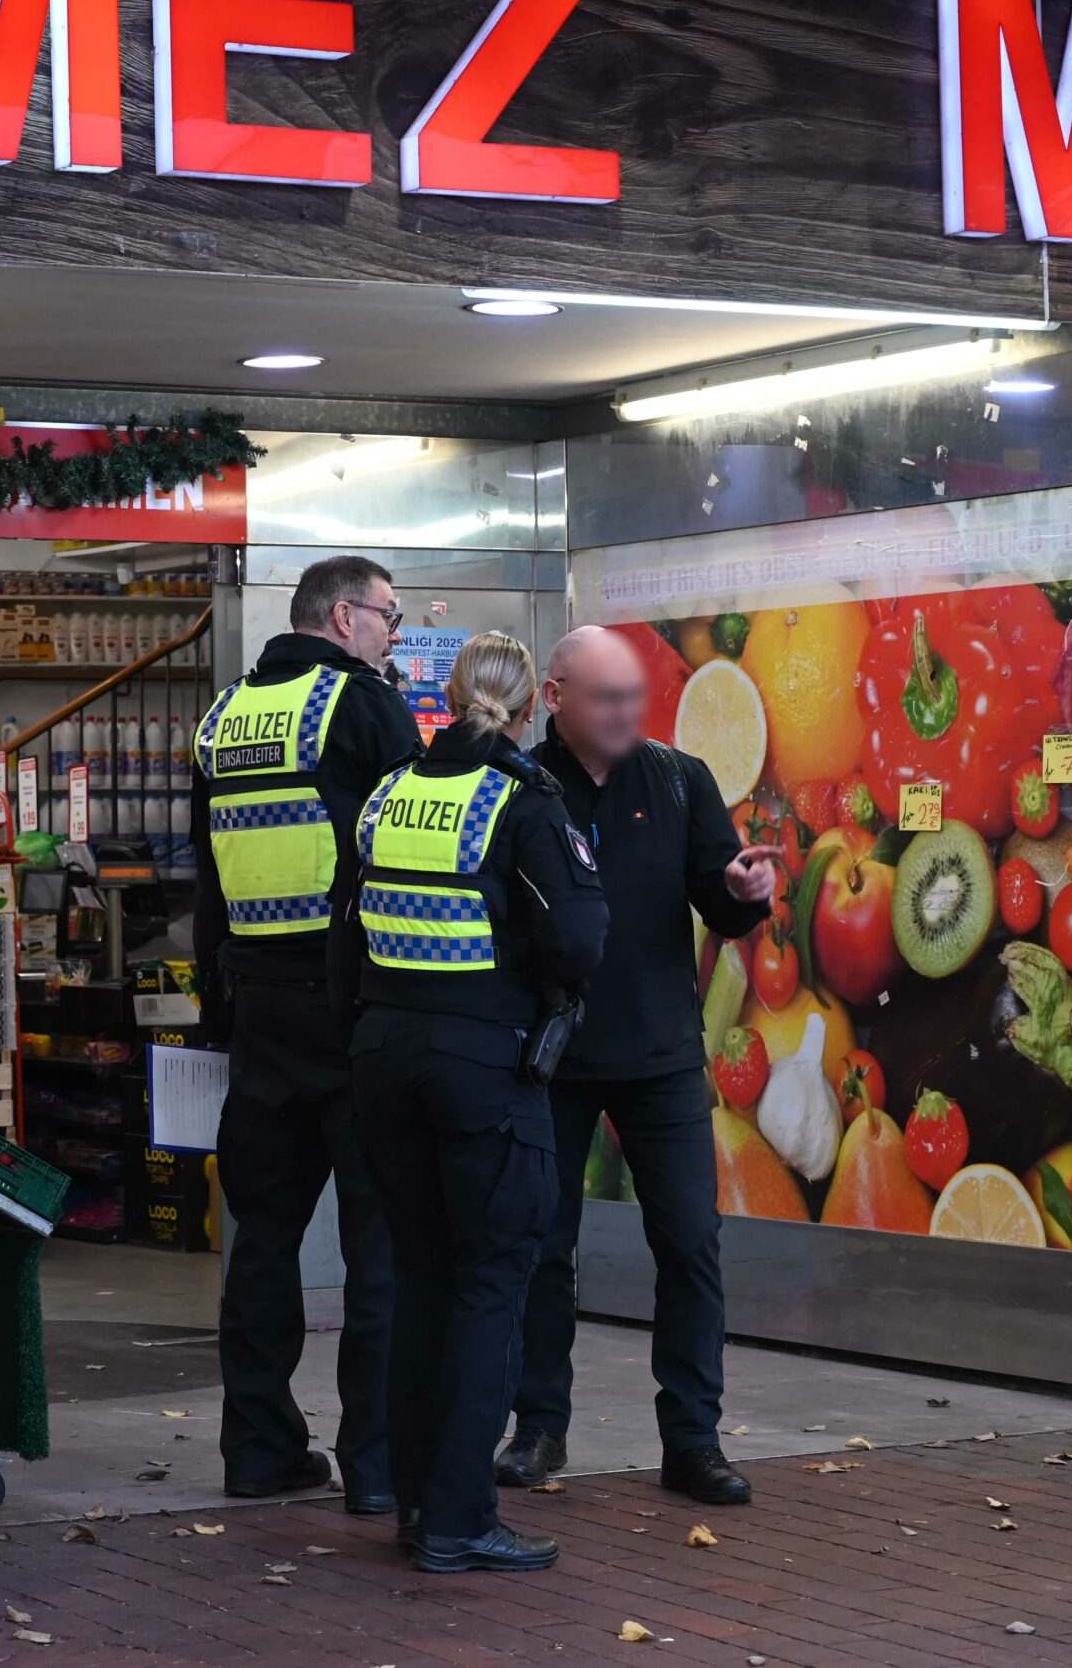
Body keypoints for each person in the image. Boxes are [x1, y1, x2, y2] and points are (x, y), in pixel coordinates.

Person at [333, 631, 608, 1573]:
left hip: (383, 1059)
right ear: (531, 709)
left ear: (445, 697)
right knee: (491, 1284)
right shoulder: (524, 801)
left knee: (418, 1283)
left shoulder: (392, 791)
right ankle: (459, 1516)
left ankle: (415, 1504)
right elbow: (576, 939)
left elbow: (348, 923)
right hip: (482, 1070)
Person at [497, 626, 781, 1506]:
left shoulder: (678, 779)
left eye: (634, 698)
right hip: (551, 1055)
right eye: (606, 699)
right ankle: (539, 1427)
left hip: (659, 1053)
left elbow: (718, 895)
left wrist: (741, 896)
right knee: (543, 1247)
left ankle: (692, 1439)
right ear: (554, 697)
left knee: (690, 1242)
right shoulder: (518, 788)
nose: (626, 714)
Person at [191, 555, 419, 1512]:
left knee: (261, 1244)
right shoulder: (361, 707)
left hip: (260, 1018)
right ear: (341, 615)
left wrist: (218, 1016)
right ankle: (373, 1465)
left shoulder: (223, 717)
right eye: (389, 617)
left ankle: (258, 1450)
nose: (394, 635)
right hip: (353, 1011)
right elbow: (412, 850)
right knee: (380, 1246)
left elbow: (204, 879)